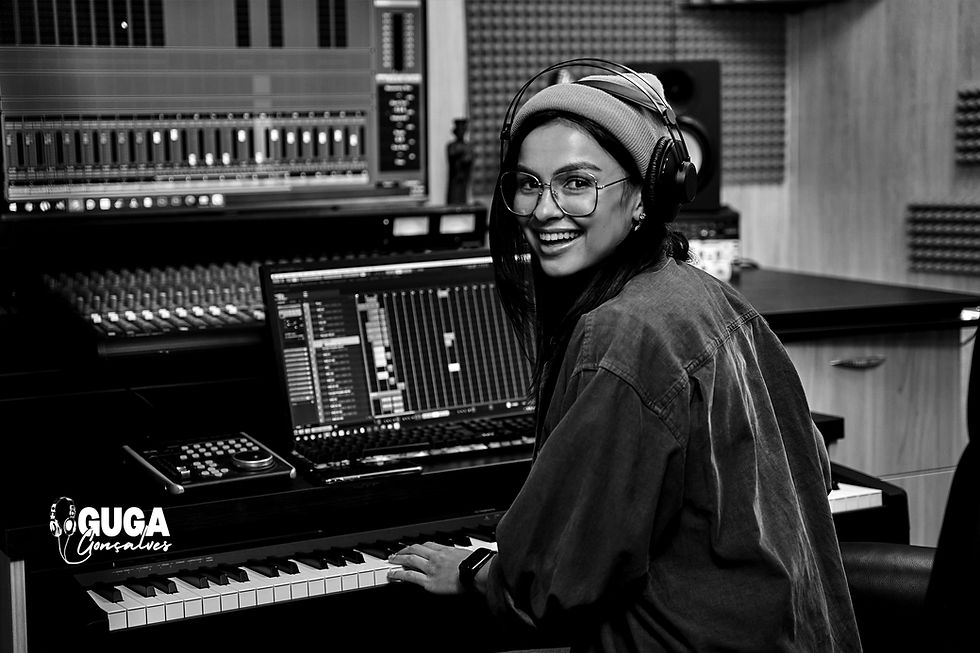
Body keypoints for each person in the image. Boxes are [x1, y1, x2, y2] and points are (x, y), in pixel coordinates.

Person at [388, 63, 861, 652]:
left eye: (577, 183)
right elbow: (806, 463)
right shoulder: (706, 297)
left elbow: (553, 586)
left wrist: (474, 572)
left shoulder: (622, 334)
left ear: (643, 197)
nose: (543, 210)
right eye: (528, 183)